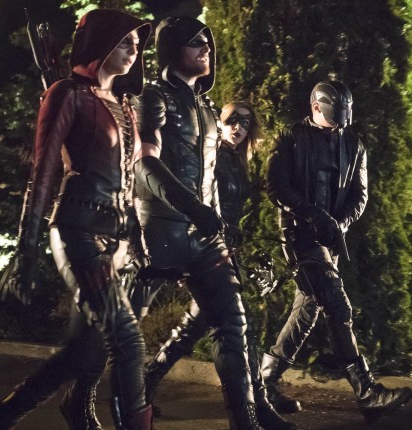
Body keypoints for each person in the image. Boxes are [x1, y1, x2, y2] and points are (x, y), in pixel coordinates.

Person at [0, 9, 153, 430]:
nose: (134, 50)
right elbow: (44, 173)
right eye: (125, 41)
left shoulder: (125, 105)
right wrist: (25, 253)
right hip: (78, 231)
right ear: (102, 43)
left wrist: (138, 242)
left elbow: (130, 182)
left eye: (137, 44)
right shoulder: (66, 94)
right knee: (128, 341)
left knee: (85, 352)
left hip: (118, 240)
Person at [133, 17, 263, 430]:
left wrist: (216, 222)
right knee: (117, 331)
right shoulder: (152, 97)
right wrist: (194, 208)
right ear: (172, 49)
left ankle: (247, 421)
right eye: (195, 42)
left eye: (208, 41)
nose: (206, 48)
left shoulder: (207, 107)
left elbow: (210, 176)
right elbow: (144, 163)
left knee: (232, 321)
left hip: (204, 235)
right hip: (159, 231)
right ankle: (103, 402)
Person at [261, 80, 412, 424]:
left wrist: (339, 224)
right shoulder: (291, 137)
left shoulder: (353, 143)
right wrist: (314, 216)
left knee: (308, 308)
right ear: (316, 106)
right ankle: (367, 393)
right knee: (337, 305)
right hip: (298, 235)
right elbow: (276, 187)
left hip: (329, 240)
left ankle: (263, 383)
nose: (340, 122)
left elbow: (360, 196)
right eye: (334, 114)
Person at [134, 102, 295, 430]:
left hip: (222, 247)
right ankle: (257, 406)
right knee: (236, 325)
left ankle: (146, 384)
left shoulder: (238, 160)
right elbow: (201, 199)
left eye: (245, 123)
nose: (239, 128)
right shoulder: (213, 156)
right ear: (219, 122)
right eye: (232, 120)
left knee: (198, 327)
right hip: (206, 245)